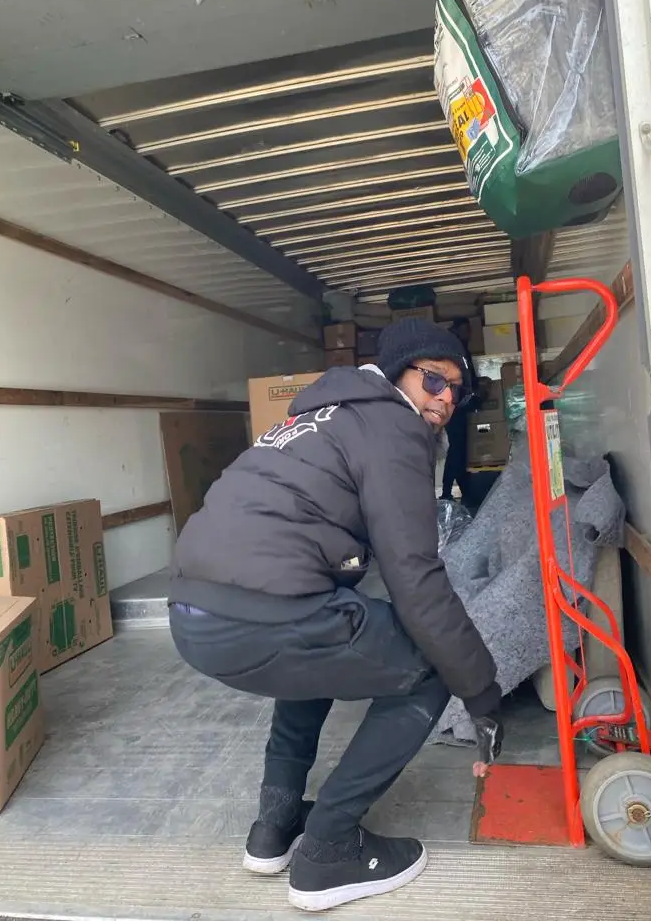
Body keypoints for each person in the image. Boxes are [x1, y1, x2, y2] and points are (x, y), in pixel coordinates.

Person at [168, 318, 503, 913]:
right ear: (398, 373)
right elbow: (416, 579)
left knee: (321, 650)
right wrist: (481, 691)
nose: (446, 399)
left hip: (194, 616)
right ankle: (328, 849)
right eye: (434, 380)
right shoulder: (393, 425)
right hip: (264, 614)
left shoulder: (315, 417)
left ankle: (273, 827)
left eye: (458, 389)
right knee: (432, 666)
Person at [441, 317, 481, 502]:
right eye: (465, 330)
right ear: (457, 330)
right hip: (456, 405)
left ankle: (459, 490)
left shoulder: (457, 348)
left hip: (458, 404)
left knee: (458, 449)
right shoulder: (455, 350)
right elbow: (462, 379)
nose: (468, 334)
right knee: (457, 449)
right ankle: (452, 490)